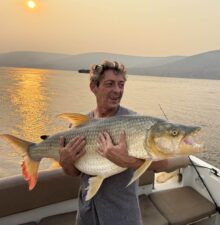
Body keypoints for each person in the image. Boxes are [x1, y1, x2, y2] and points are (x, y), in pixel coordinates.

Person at [58, 60, 168, 225]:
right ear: (93, 87)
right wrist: (65, 163)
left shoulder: (135, 122)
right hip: (87, 213)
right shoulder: (79, 125)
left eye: (121, 85)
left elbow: (163, 164)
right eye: (110, 84)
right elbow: (74, 172)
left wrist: (128, 161)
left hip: (122, 215)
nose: (117, 90)